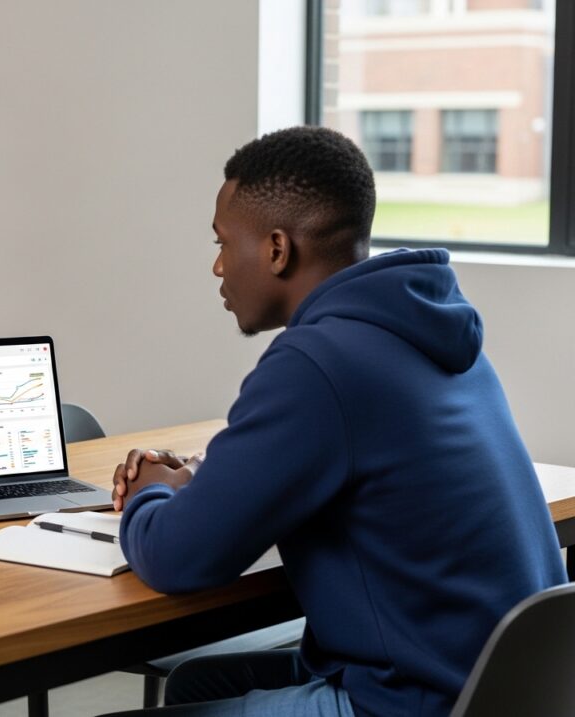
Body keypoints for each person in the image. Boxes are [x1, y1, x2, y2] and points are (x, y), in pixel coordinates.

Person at [106, 126, 566, 717]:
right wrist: (206, 480)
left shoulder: (316, 363)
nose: (218, 266)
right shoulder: (432, 332)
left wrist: (149, 494)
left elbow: (178, 558)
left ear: (277, 249)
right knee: (199, 684)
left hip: (412, 700)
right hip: (503, 684)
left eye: (223, 243)